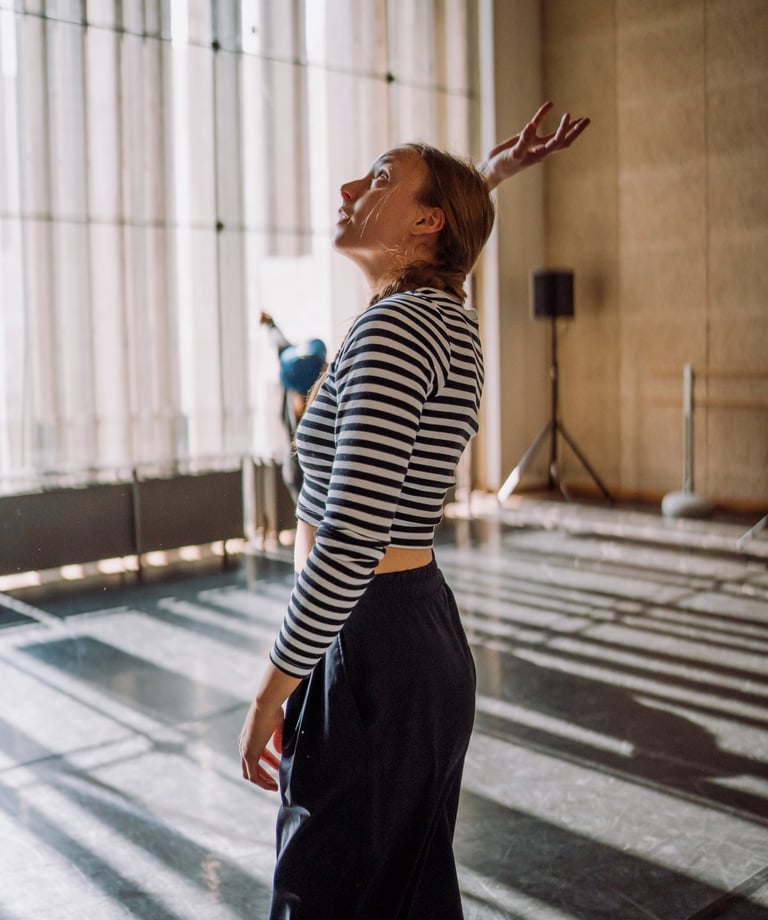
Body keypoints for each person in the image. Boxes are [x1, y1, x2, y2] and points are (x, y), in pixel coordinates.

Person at [239, 102, 590, 920]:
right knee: (405, 895)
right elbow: (446, 237)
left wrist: (266, 695)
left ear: (428, 222)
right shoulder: (439, 321)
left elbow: (351, 540)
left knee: (326, 899)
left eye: (378, 178)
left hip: (370, 644)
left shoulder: (396, 331)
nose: (348, 187)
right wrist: (486, 178)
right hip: (405, 635)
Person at [259, 312, 327, 503]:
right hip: (301, 474)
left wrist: (271, 325)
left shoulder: (295, 370)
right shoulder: (306, 414)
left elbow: (282, 346)